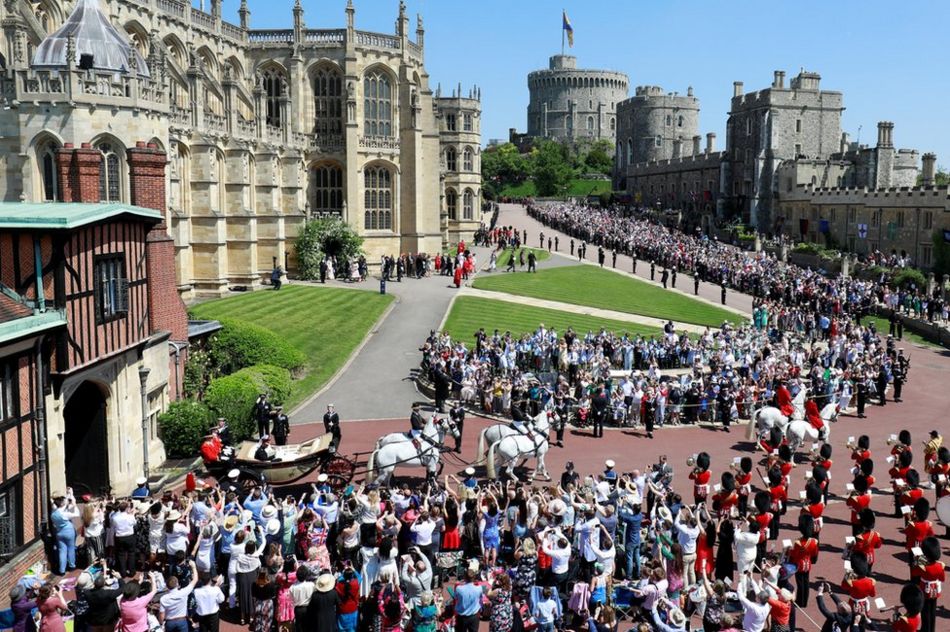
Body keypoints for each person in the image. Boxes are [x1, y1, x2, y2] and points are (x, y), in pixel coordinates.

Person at [159, 560, 199, 632]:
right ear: (177, 584)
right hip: (182, 622)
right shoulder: (184, 592)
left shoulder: (163, 599)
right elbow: (195, 580)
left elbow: (161, 614)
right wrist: (194, 567)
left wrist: (161, 623)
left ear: (167, 586)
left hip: (170, 622)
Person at [50, 492, 80, 575]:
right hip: (69, 532)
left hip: (59, 533)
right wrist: (75, 505)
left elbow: (59, 504)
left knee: (62, 551)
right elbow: (77, 514)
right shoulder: (65, 514)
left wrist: (69, 494)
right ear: (62, 503)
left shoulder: (53, 513)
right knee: (71, 548)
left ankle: (62, 570)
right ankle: (72, 566)